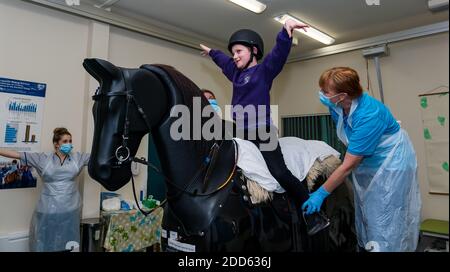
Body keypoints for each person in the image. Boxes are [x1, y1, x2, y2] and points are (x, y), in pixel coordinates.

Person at [200, 19, 330, 236]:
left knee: (279, 172)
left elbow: (278, 54)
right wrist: (213, 52)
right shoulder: (236, 74)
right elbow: (224, 61)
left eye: (239, 51)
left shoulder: (264, 71)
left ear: (253, 51)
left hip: (263, 131)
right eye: (233, 52)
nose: (235, 55)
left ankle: (312, 213)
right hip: (242, 133)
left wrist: (286, 31)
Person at [302, 67, 421, 251]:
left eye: (325, 91)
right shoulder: (336, 106)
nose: (321, 94)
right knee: (366, 213)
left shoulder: (370, 114)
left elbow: (347, 166)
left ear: (342, 95)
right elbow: (350, 137)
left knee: (386, 219)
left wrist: (321, 193)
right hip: (369, 162)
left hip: (391, 165)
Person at [0, 127, 90, 252]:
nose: (69, 144)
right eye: (65, 141)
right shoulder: (42, 159)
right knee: (45, 243)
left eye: (70, 141)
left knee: (68, 244)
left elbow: (99, 157)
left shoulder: (78, 158)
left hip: (70, 209)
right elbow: (16, 154)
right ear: (56, 144)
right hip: (48, 210)